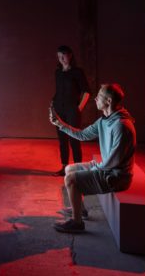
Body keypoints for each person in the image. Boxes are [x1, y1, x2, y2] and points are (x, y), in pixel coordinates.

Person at [49, 83, 136, 233]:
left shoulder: (121, 126)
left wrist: (95, 168)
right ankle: (80, 210)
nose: (95, 98)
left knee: (71, 179)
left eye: (99, 96)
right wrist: (60, 124)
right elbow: (82, 135)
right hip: (107, 168)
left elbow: (113, 162)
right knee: (69, 168)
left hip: (117, 176)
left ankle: (77, 223)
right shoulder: (104, 120)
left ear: (108, 101)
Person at [51, 45, 90, 176]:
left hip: (72, 110)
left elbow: (87, 91)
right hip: (59, 109)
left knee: (74, 139)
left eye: (63, 55)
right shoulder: (58, 72)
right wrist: (52, 105)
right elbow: (58, 92)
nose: (61, 58)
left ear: (70, 55)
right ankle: (64, 167)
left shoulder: (77, 72)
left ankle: (77, 169)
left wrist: (79, 108)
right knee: (62, 140)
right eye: (59, 56)